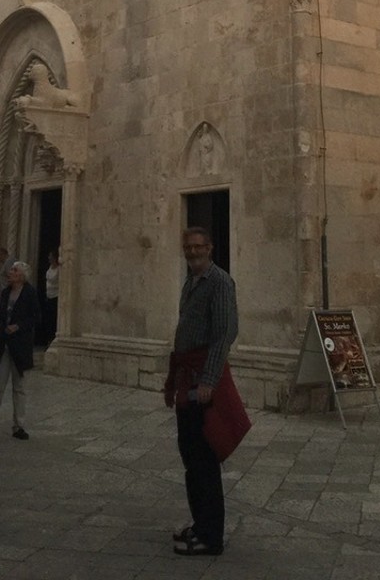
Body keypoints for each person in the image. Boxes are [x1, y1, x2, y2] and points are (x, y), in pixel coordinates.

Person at [163, 226, 238, 558]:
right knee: (190, 455)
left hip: (201, 380)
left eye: (198, 247)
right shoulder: (191, 282)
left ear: (210, 248)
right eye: (188, 247)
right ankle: (200, 523)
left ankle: (211, 536)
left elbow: (224, 334)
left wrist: (208, 381)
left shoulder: (220, 282)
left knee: (204, 458)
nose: (192, 252)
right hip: (186, 378)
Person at [0, 260, 39, 440]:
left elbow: (35, 317)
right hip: (3, 344)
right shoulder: (5, 292)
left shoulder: (29, 293)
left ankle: (19, 426)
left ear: (21, 276)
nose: (11, 272)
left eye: (14, 270)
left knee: (19, 387)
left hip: (20, 345)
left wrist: (18, 326)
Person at [42, 247, 60, 345]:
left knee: (53, 319)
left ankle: (53, 340)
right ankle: (48, 340)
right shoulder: (49, 268)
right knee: (47, 319)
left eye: (50, 256)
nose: (49, 257)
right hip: (48, 296)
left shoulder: (59, 269)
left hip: (55, 296)